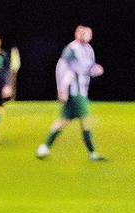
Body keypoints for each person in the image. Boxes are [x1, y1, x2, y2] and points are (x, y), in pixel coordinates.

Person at [36, 25, 105, 161]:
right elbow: (62, 68)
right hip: (75, 92)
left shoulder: (89, 50)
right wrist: (62, 90)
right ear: (77, 34)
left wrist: (95, 70)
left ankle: (45, 147)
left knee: (63, 121)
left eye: (87, 33)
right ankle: (92, 153)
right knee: (85, 121)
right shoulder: (71, 49)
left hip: (82, 91)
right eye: (82, 32)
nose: (85, 35)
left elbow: (88, 68)